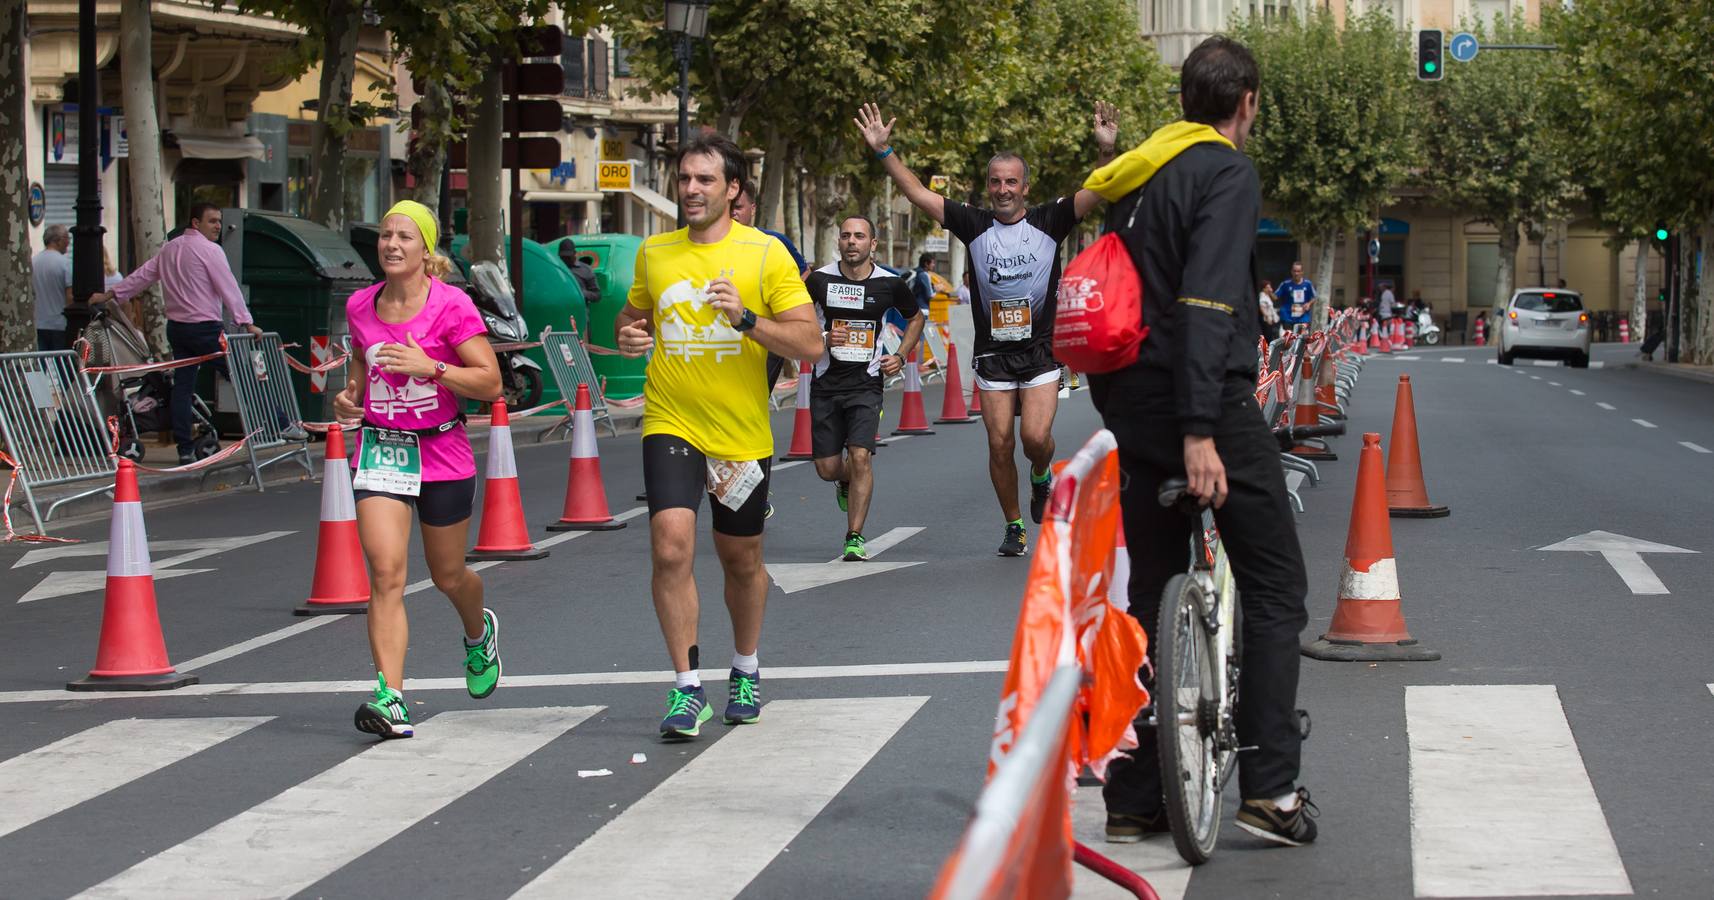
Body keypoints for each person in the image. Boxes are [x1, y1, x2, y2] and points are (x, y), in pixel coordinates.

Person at [1086, 35, 1316, 847]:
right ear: (1246, 103)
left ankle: (1139, 792)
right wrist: (1199, 432)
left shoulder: (1139, 176)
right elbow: (1208, 304)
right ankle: (1272, 788)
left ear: (1186, 101)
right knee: (1278, 582)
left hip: (1128, 401)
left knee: (1152, 590)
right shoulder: (1225, 171)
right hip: (1202, 403)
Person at [614, 133, 822, 741]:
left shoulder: (766, 256)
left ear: (733, 190)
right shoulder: (655, 253)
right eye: (684, 179)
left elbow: (810, 343)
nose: (691, 190)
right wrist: (631, 335)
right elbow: (636, 317)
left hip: (739, 433)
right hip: (671, 421)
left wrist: (748, 320)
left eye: (705, 180)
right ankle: (686, 688)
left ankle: (746, 668)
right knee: (671, 546)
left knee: (742, 559)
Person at [855, 99, 1118, 556]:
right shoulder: (973, 224)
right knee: (999, 444)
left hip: (1039, 350)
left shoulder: (1048, 221)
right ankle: (1014, 525)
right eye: (995, 182)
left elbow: (1097, 190)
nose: (1002, 190)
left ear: (1025, 187)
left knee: (1034, 438)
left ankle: (1041, 473)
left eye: (1011, 182)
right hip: (993, 355)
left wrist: (1106, 150)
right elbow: (917, 193)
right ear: (988, 187)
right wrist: (883, 151)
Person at [331, 200, 504, 740]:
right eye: (385, 235)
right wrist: (347, 400)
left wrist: (431, 367)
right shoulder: (361, 305)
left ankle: (479, 632)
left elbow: (491, 382)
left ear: (426, 252)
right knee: (385, 574)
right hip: (383, 448)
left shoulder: (452, 307)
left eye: (405, 236)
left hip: (442, 450)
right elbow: (358, 371)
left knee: (449, 575)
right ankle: (392, 697)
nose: (392, 244)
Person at [96, 204, 263, 465]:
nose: (218, 226)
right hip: (206, 328)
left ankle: (184, 447)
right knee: (241, 376)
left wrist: (112, 294)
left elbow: (142, 276)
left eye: (219, 221)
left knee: (183, 389)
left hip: (177, 329)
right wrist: (246, 322)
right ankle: (280, 423)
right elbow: (228, 286)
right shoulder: (211, 250)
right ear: (195, 223)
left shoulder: (169, 249)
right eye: (212, 221)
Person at [806, 215, 924, 561]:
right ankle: (844, 479)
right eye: (846, 236)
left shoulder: (890, 283)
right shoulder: (820, 281)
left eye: (859, 236)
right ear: (838, 242)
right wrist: (825, 338)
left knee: (861, 456)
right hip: (826, 382)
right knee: (827, 468)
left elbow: (916, 318)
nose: (852, 242)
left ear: (873, 244)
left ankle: (854, 536)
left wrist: (900, 356)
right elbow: (793, 322)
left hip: (867, 383)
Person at [32, 225, 75, 351]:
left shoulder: (33, 262)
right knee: (62, 365)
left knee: (39, 365)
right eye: (67, 238)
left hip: (38, 323)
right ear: (58, 240)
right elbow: (70, 296)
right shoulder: (65, 263)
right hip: (59, 324)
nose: (68, 242)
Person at [1277, 262, 1314, 334]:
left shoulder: (1308, 284)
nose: (1296, 273)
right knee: (1289, 340)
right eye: (1294, 271)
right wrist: (1266, 292)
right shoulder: (1285, 284)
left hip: (1303, 317)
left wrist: (1309, 304)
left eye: (1298, 271)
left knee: (1302, 338)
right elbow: (1275, 296)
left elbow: (1314, 297)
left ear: (1302, 272)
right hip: (1288, 317)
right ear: (1291, 272)